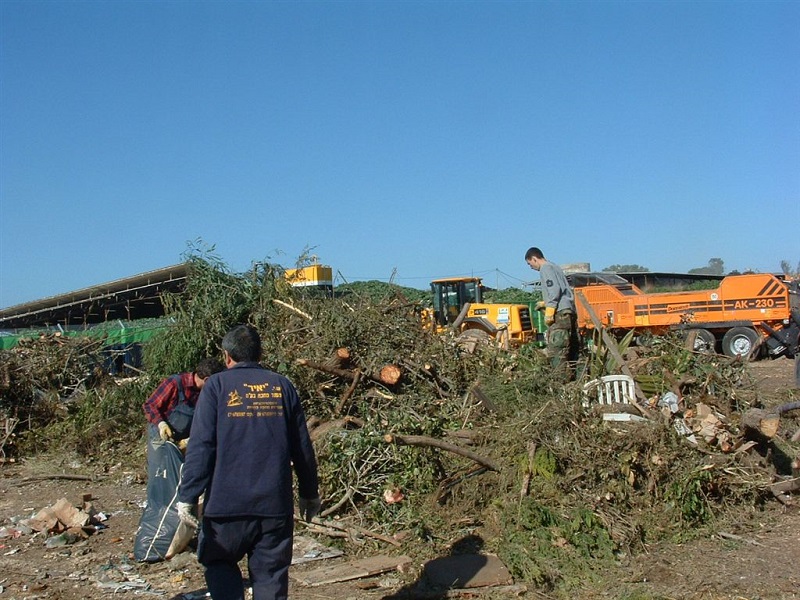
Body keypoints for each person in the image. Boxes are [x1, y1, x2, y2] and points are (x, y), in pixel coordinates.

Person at [176, 324, 320, 600]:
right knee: (271, 574)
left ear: (227, 356)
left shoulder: (216, 386)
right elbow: (302, 447)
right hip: (273, 507)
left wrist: (188, 495)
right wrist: (309, 492)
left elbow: (201, 446)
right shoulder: (282, 386)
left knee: (219, 562)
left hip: (225, 508)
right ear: (260, 353)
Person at [143, 358, 224, 468]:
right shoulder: (175, 383)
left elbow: (210, 421)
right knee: (160, 473)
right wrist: (161, 424)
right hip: (160, 437)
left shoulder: (207, 394)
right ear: (207, 380)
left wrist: (190, 441)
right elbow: (150, 405)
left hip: (183, 441)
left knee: (181, 473)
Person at [525, 247, 579, 378]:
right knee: (573, 349)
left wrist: (550, 308)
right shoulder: (555, 267)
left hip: (560, 313)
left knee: (557, 350)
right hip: (569, 310)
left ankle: (560, 382)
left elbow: (554, 290)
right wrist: (546, 302)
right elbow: (561, 289)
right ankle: (577, 379)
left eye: (529, 263)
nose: (530, 267)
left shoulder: (545, 268)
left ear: (534, 258)